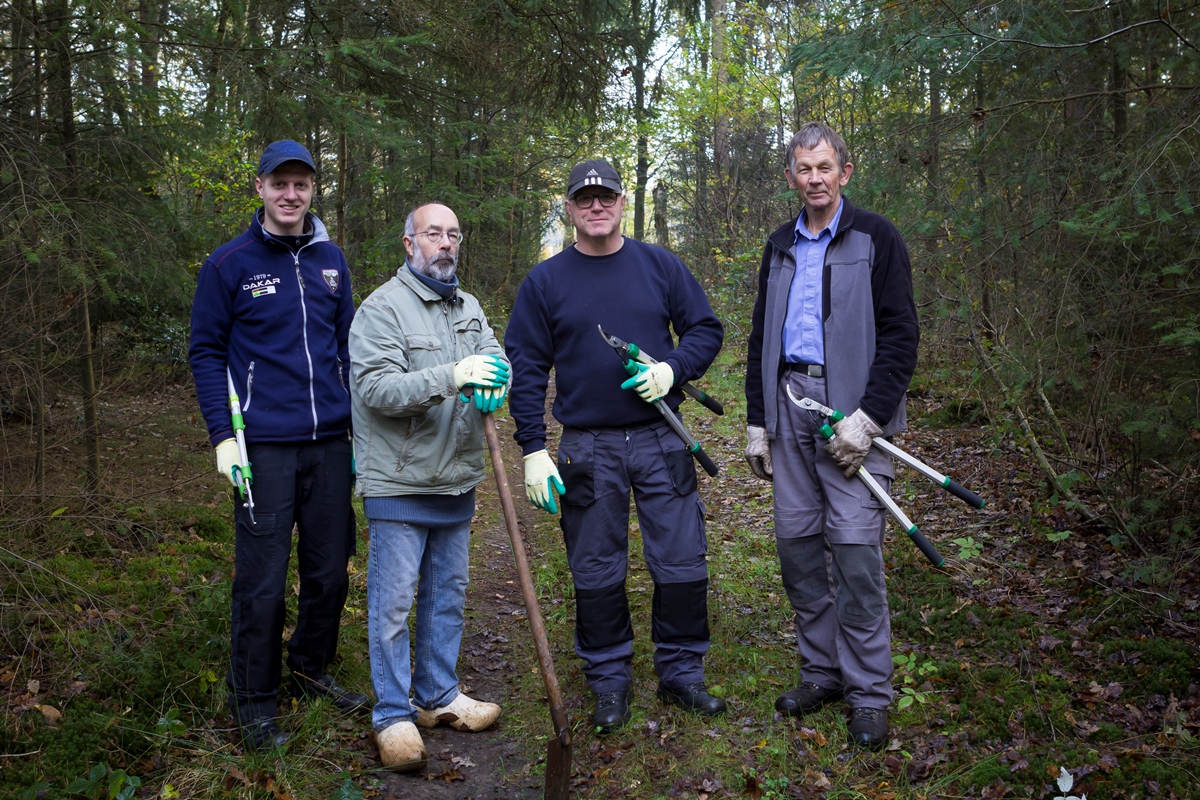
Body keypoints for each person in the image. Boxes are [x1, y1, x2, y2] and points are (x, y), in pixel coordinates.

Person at [505, 160, 726, 734]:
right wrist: (532, 447)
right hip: (587, 447)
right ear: (570, 208)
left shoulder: (659, 266)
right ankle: (608, 679)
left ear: (623, 202)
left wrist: (673, 370)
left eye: (606, 197)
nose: (596, 206)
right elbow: (526, 369)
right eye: (585, 199)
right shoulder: (546, 282)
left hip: (662, 438)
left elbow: (705, 329)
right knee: (595, 565)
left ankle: (681, 673)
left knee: (680, 558)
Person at [743, 122, 920, 750]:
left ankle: (870, 693)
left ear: (845, 170)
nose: (814, 179)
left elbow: (901, 335)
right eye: (803, 169)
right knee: (797, 546)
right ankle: (822, 673)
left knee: (853, 552)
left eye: (825, 167)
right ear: (790, 175)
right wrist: (757, 420)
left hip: (849, 416)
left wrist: (868, 418)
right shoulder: (778, 245)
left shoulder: (876, 237)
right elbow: (761, 337)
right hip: (788, 407)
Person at [189, 139, 369, 750]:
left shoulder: (331, 261)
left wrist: (359, 431)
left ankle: (310, 666)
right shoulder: (229, 264)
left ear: (312, 190)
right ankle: (255, 698)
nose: (291, 195)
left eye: (301, 184)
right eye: (279, 183)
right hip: (262, 449)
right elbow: (206, 352)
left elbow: (350, 348)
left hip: (329, 445)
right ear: (260, 188)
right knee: (262, 581)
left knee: (330, 572)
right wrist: (223, 437)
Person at [349, 203, 509, 771]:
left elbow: (493, 356)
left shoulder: (467, 307)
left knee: (448, 596)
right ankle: (392, 714)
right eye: (433, 233)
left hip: (455, 479)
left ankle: (437, 696)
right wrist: (452, 376)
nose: (444, 243)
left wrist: (496, 378)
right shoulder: (381, 309)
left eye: (453, 235)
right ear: (408, 243)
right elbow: (375, 389)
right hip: (398, 480)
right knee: (393, 606)